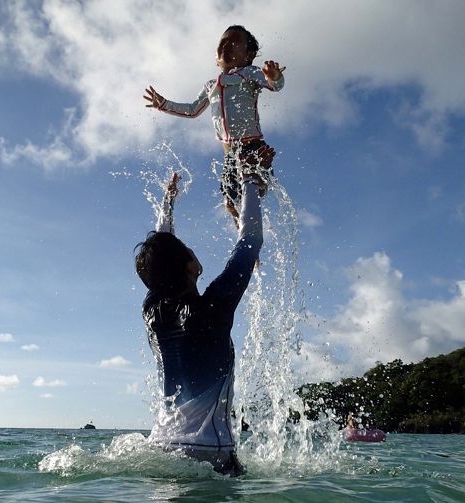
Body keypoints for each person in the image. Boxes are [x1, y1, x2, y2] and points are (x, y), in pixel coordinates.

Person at [134, 145, 275, 476]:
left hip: (160, 447)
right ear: (190, 267)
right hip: (208, 454)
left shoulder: (152, 310)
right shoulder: (214, 307)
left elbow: (160, 253)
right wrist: (251, 181)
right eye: (188, 250)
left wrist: (168, 204)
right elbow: (250, 242)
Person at [143, 25, 285, 226]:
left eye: (234, 42)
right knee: (229, 203)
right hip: (229, 155)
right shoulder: (211, 85)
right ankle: (245, 240)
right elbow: (193, 110)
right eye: (222, 42)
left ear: (249, 55)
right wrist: (164, 105)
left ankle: (261, 182)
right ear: (216, 59)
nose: (226, 45)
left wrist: (274, 77)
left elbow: (274, 85)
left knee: (253, 185)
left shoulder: (250, 73)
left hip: (251, 146)